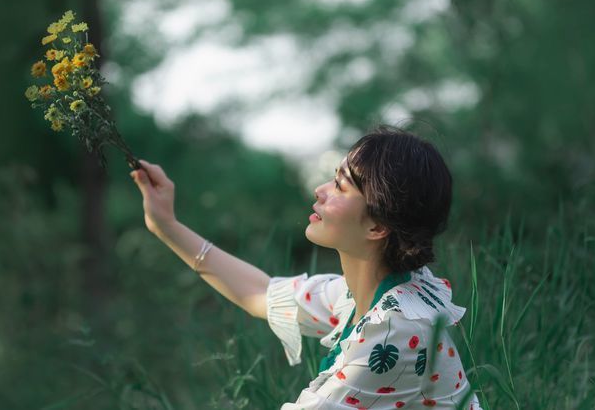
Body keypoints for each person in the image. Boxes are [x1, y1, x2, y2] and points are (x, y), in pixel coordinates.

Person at [130, 125, 482, 409]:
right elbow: (261, 293)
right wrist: (167, 225)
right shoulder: (374, 293)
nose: (320, 190)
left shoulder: (395, 329)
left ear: (377, 227)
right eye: (333, 177)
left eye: (341, 187)